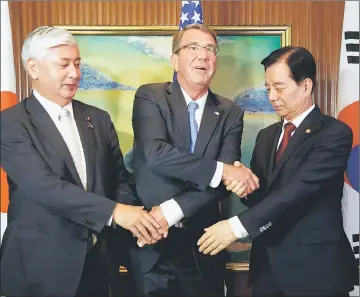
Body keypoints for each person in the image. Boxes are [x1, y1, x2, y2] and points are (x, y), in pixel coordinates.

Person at [0, 26, 162, 297]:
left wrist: (136, 219)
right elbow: (45, 187)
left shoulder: (97, 119)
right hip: (40, 270)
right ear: (33, 68)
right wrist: (115, 212)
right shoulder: (11, 123)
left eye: (77, 63)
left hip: (98, 263)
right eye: (64, 64)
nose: (75, 73)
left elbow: (118, 178)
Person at [198, 46, 358, 297]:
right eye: (268, 88)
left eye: (279, 88)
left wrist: (236, 227)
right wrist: (246, 187)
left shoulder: (334, 133)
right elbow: (265, 196)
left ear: (305, 86)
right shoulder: (267, 136)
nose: (272, 96)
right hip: (268, 269)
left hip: (315, 270)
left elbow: (299, 190)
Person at [129, 23, 259, 297]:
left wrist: (170, 211)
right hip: (150, 242)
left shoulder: (229, 112)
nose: (203, 55)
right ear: (174, 59)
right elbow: (156, 155)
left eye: (210, 49)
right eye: (193, 47)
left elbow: (225, 183)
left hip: (204, 245)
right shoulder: (150, 96)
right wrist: (221, 170)